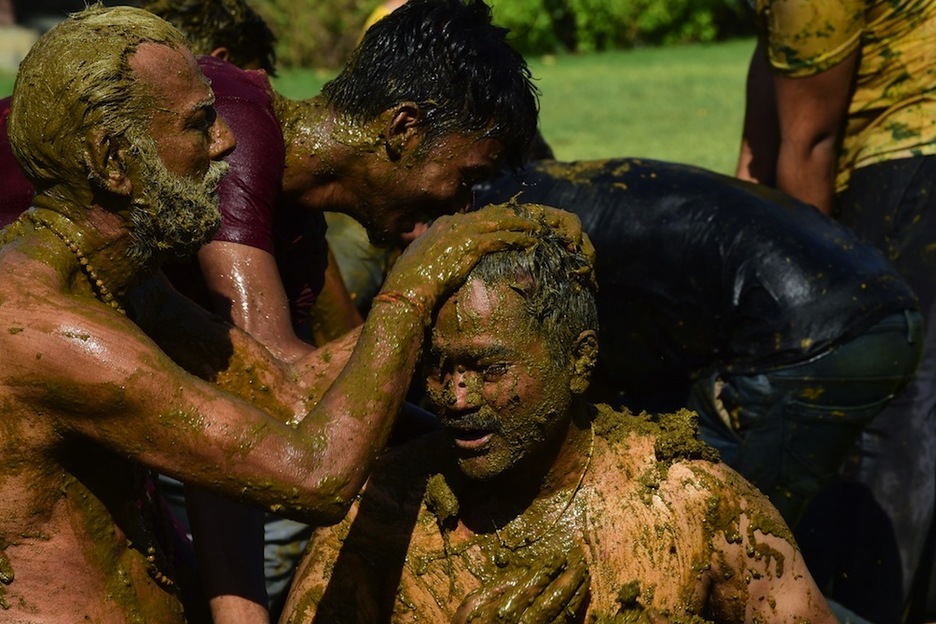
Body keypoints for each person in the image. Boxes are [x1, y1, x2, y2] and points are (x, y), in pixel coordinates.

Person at [0, 5, 572, 621]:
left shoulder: (128, 285)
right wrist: (414, 290)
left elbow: (282, 395)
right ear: (114, 162)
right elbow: (313, 477)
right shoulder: (53, 332)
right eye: (199, 125)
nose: (223, 141)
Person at [280, 205, 838, 623]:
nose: (455, 397)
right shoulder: (379, 515)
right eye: (437, 367)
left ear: (580, 360)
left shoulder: (690, 500)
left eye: (488, 368)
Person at [472, 157, 922, 532]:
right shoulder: (549, 183)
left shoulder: (500, 232)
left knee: (713, 545)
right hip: (884, 303)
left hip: (813, 336)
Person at [735, 2, 936, 621]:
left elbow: (808, 142)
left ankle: (858, 607)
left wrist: (811, 308)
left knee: (885, 405)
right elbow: (765, 119)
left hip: (907, 168)